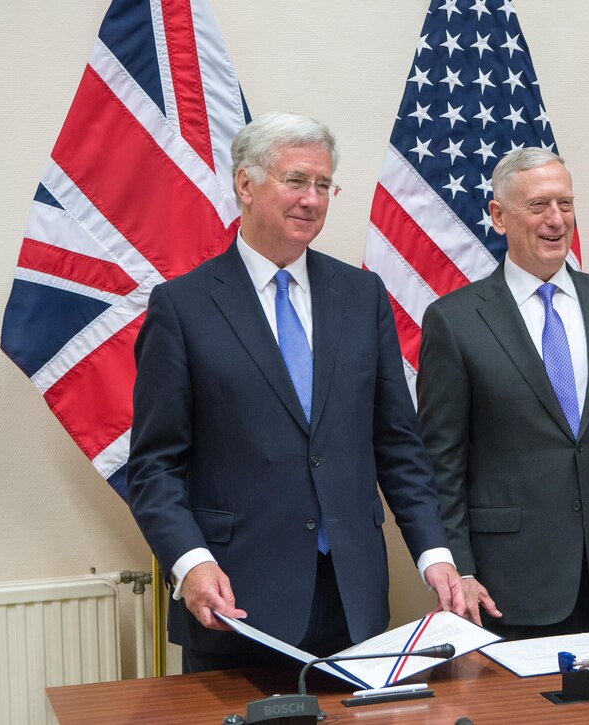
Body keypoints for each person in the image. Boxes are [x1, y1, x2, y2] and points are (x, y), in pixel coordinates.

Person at [127, 112, 464, 672]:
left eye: (323, 185)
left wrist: (433, 552)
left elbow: (399, 445)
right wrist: (189, 563)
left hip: (351, 599)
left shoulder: (362, 295)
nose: (312, 199)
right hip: (235, 601)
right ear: (245, 185)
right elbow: (155, 467)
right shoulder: (182, 308)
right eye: (296, 180)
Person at [416, 147, 589, 640]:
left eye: (565, 204)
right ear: (499, 216)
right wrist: (461, 570)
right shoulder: (454, 321)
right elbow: (442, 463)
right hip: (504, 583)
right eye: (539, 206)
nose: (556, 220)